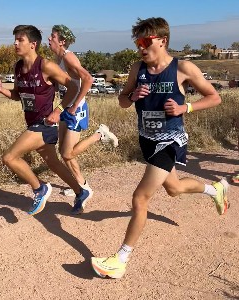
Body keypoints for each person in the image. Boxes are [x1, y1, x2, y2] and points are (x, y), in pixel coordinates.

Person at [91, 17, 229, 279]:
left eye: (145, 41)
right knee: (174, 189)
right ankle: (216, 189)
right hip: (147, 139)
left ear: (162, 40)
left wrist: (184, 107)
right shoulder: (137, 69)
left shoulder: (183, 68)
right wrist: (132, 97)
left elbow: (215, 97)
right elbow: (121, 101)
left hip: (170, 141)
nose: (140, 47)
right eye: (137, 42)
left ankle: (120, 259)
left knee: (140, 198)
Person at [0, 25, 91, 215]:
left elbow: (73, 88)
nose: (15, 43)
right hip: (32, 122)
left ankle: (40, 189)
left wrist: (59, 111)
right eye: (15, 39)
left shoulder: (45, 66)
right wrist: (1, 90)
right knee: (53, 163)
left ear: (32, 44)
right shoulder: (19, 67)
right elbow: (17, 95)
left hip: (45, 125)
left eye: (20, 40)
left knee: (9, 157)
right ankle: (81, 192)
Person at [48, 24, 118, 214]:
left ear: (62, 41)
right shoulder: (58, 58)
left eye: (52, 36)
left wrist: (75, 105)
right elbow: (65, 81)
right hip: (66, 107)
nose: (49, 39)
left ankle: (99, 135)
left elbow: (88, 79)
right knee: (64, 153)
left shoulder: (68, 57)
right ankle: (80, 185)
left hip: (75, 110)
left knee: (68, 154)